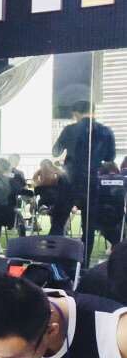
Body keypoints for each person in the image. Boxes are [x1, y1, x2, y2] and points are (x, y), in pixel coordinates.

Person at [51, 99, 117, 257]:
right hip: (91, 180)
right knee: (88, 225)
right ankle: (84, 261)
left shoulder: (69, 130)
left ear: (75, 113)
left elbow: (55, 151)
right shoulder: (106, 131)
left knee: (59, 221)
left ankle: (52, 258)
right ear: (93, 111)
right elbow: (110, 157)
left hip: (70, 179)